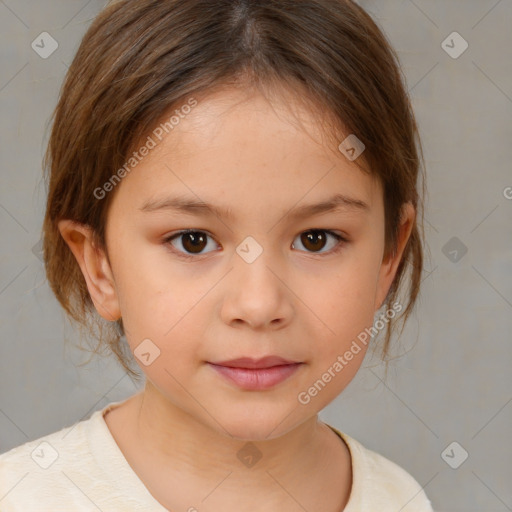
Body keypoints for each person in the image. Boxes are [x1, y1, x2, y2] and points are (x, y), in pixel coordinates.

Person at [0, 0, 433, 510]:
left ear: (388, 257)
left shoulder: (399, 499)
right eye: (193, 240)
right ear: (99, 264)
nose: (257, 304)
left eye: (316, 238)